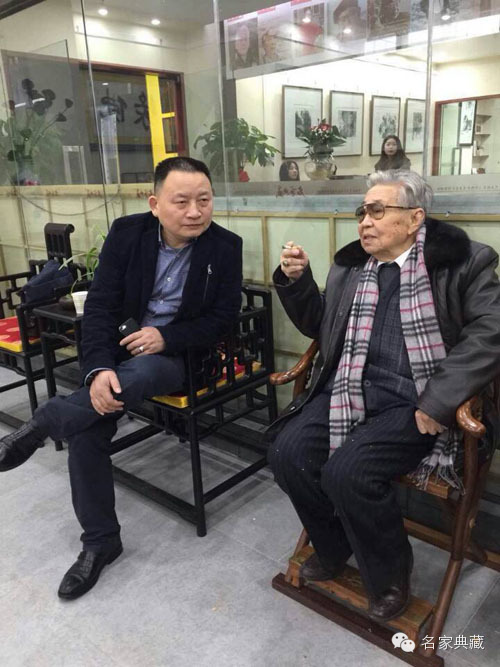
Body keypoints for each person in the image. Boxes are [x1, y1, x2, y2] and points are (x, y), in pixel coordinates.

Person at [0, 157, 243, 600]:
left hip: (178, 359)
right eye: (182, 201)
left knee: (144, 369)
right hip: (118, 354)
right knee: (87, 427)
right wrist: (97, 370)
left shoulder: (225, 247)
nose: (195, 212)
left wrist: (165, 336)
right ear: (155, 204)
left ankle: (43, 422)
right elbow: (100, 307)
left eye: (204, 200)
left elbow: (222, 319)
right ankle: (100, 542)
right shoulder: (128, 234)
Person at [268, 170, 500, 621]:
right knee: (285, 453)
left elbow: (490, 332)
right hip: (348, 389)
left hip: (415, 401)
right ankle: (333, 547)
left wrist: (439, 400)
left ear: (415, 218)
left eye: (377, 210)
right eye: (362, 212)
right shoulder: (352, 266)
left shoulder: (463, 262)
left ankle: (390, 575)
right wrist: (297, 282)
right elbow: (322, 326)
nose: (364, 221)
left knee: (348, 473)